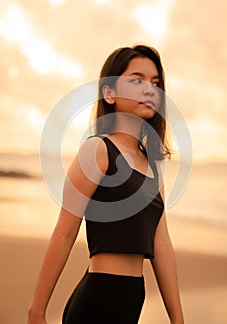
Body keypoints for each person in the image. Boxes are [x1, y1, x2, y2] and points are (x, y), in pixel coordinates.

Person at [28, 45, 184, 324]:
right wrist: (36, 311)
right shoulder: (97, 151)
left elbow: (162, 245)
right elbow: (64, 234)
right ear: (109, 93)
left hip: (134, 297)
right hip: (98, 297)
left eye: (155, 83)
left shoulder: (153, 166)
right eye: (137, 80)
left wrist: (178, 318)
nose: (149, 89)